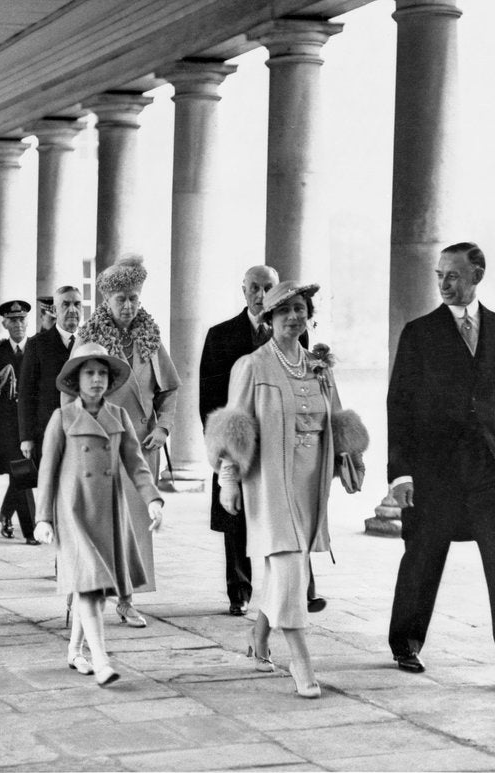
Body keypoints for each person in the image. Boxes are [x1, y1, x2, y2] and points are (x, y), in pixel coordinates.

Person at [387, 242, 495, 689]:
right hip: (434, 472)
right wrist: (400, 472)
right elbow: (399, 404)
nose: (443, 284)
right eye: (439, 276)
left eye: (452, 275)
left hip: (489, 473)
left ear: (477, 275)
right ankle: (405, 642)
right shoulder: (419, 332)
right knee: (422, 557)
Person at [206, 280, 347, 699]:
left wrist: (350, 458)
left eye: (300, 309)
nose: (293, 317)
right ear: (268, 319)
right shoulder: (252, 366)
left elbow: (335, 417)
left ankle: (259, 633)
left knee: (289, 567)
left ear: (309, 315)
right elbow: (234, 427)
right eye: (283, 311)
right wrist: (227, 482)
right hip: (268, 480)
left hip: (309, 480)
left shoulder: (320, 364)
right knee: (288, 566)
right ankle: (300, 660)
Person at [34, 342, 164, 686]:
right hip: (73, 511)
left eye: (102, 373)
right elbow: (46, 470)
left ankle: (75, 651)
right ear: (76, 380)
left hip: (108, 512)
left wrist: (152, 498)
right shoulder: (62, 418)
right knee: (89, 586)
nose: (96, 380)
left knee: (89, 585)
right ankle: (103, 661)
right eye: (89, 373)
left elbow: (136, 464)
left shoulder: (119, 417)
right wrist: (43, 517)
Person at [199, 266, 324, 617]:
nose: (260, 292)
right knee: (237, 522)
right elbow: (212, 401)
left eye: (267, 286)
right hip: (244, 445)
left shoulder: (301, 345)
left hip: (287, 453)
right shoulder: (222, 336)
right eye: (255, 287)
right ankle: (239, 591)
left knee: (291, 531)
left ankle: (299, 596)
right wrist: (225, 462)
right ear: (245, 291)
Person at [72, 255, 180, 628]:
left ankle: (127, 598)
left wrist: (163, 427)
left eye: (134, 297)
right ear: (107, 300)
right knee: (95, 522)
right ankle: (83, 595)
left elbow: (170, 390)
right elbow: (71, 394)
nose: (129, 305)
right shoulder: (89, 339)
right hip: (99, 443)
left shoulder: (150, 338)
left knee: (134, 526)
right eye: (121, 299)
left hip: (141, 446)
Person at [0, 299, 40, 545]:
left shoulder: (38, 348)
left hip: (33, 424)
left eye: (22, 319)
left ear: (28, 321)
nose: (18, 324)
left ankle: (6, 513)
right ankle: (30, 531)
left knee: (23, 474)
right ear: (4, 323)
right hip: (7, 425)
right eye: (13, 320)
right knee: (21, 474)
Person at [18, 286, 82, 466]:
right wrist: (26, 437)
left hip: (83, 431)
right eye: (65, 304)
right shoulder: (37, 345)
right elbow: (25, 394)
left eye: (77, 304)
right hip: (47, 432)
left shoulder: (90, 341)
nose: (72, 310)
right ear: (55, 310)